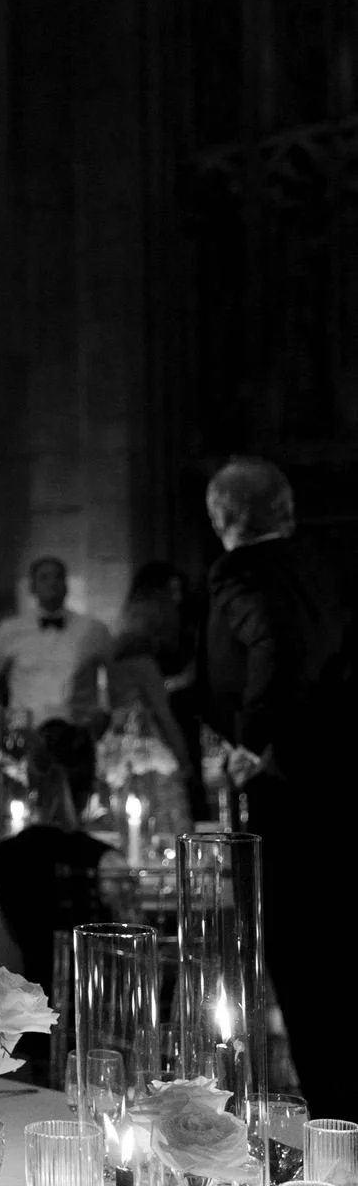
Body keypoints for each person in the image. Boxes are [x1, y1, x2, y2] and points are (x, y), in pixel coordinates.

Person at [200, 456, 352, 1115]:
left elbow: (274, 646)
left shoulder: (243, 571)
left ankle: (325, 1134)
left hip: (280, 800)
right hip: (330, 788)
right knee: (330, 964)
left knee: (295, 963)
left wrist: (255, 744)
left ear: (223, 516)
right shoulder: (323, 567)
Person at [0, 719, 128, 1079]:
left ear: (31, 782)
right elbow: (128, 953)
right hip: (105, 1025)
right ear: (92, 786)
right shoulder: (104, 860)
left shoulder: (4, 856)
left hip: (35, 1018)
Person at [0, 558, 113, 729]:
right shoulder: (10, 630)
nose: (52, 582)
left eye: (58, 577)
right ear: (32, 587)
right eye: (44, 577)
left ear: (66, 585)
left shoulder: (93, 630)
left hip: (79, 733)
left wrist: (108, 714)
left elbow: (118, 675)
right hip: (26, 731)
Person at [107, 577, 195, 778]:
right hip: (149, 749)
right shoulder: (141, 659)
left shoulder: (118, 652)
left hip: (122, 748)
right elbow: (162, 712)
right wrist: (184, 760)